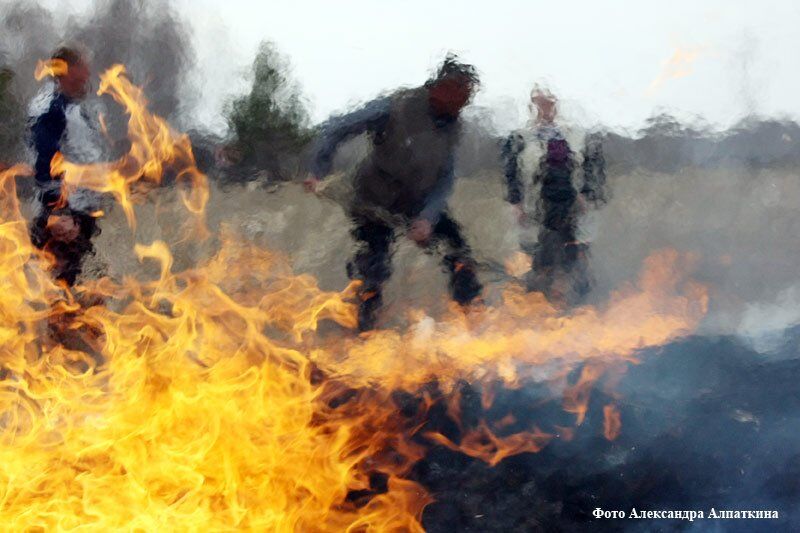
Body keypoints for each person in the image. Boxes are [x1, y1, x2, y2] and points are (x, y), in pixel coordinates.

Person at [307, 56, 483, 331]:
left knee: (459, 254)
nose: (465, 101)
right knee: (373, 270)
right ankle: (364, 333)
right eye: (461, 92)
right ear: (440, 87)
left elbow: (445, 177)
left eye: (468, 95)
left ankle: (473, 321)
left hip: (416, 203)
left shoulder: (453, 126)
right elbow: (337, 128)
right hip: (372, 200)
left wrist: (427, 217)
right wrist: (319, 170)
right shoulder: (397, 107)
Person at [502, 85, 606, 304]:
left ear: (555, 104)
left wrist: (585, 195)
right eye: (539, 102)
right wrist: (517, 203)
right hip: (538, 205)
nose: (545, 107)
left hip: (571, 204)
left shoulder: (575, 135)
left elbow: (591, 166)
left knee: (576, 256)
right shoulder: (521, 137)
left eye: (549, 102)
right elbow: (511, 173)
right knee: (540, 258)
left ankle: (580, 306)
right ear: (533, 106)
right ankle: (538, 305)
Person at [28, 46, 102, 286]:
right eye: (83, 69)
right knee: (59, 288)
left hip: (80, 214)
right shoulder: (50, 107)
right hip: (62, 214)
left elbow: (84, 158)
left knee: (72, 287)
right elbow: (45, 159)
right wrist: (57, 210)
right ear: (68, 71)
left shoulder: (75, 109)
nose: (88, 77)